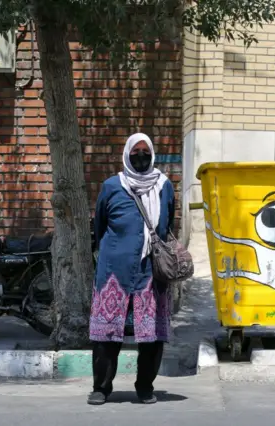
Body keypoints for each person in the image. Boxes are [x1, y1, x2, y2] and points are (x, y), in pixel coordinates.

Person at [88, 132, 175, 405]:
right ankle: (101, 388)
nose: (140, 156)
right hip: (113, 272)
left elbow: (168, 223)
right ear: (127, 154)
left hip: (151, 273)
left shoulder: (163, 186)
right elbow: (100, 225)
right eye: (135, 151)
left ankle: (145, 387)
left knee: (151, 337)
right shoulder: (112, 186)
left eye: (145, 151)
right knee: (106, 335)